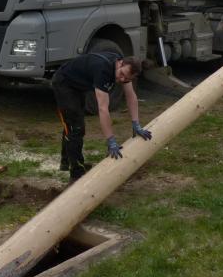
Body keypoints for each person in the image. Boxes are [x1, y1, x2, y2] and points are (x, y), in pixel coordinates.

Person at [51, 52, 151, 183]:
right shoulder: (103, 70)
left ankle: (67, 162)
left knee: (73, 124)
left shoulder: (125, 69)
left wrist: (136, 124)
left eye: (126, 78)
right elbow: (103, 109)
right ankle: (76, 173)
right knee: (75, 127)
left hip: (77, 86)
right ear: (120, 63)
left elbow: (131, 96)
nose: (121, 80)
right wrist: (111, 141)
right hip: (64, 83)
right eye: (121, 74)